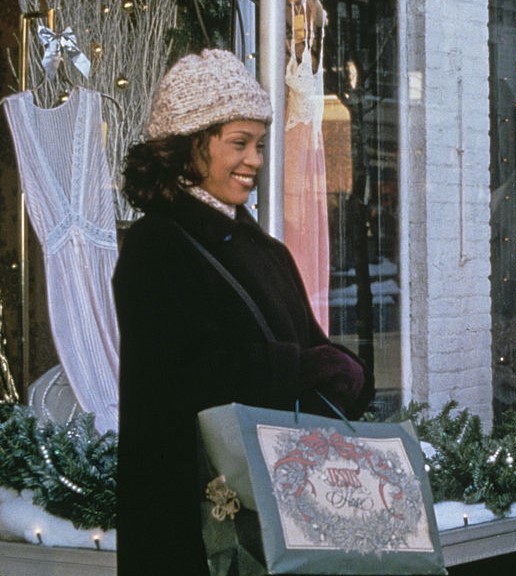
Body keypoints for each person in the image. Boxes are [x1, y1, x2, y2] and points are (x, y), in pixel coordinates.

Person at [113, 49, 374, 576]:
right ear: (190, 147)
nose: (254, 159)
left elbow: (310, 345)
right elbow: (181, 378)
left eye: (259, 144)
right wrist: (299, 368)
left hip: (271, 515)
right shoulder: (158, 244)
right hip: (194, 524)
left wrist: (343, 373)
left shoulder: (264, 248)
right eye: (238, 143)